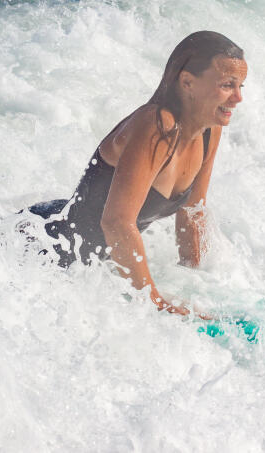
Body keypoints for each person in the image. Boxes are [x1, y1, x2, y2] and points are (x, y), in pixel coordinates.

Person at [28, 31, 247, 315]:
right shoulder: (156, 125)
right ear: (187, 82)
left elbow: (193, 211)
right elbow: (117, 222)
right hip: (39, 249)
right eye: (228, 85)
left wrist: (196, 282)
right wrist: (155, 302)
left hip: (83, 269)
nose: (239, 97)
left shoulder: (209, 130)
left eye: (242, 86)